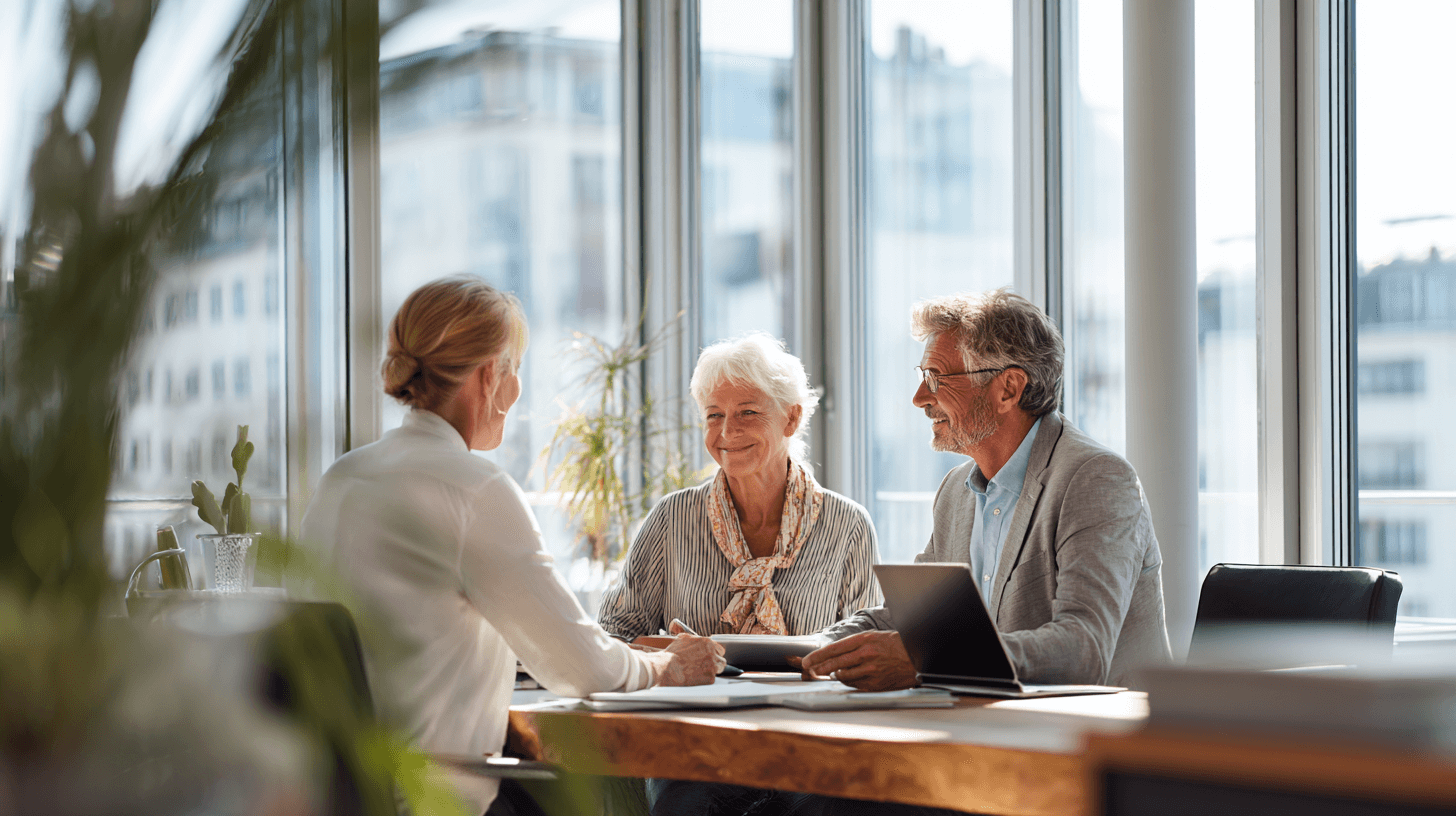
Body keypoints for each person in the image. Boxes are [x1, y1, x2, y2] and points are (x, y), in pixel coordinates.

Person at [296, 276, 723, 816]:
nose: (517, 390)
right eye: (514, 368)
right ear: (488, 375)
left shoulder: (343, 478)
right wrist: (669, 667)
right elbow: (586, 672)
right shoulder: (474, 490)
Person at [802, 288, 1172, 697]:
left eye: (936, 378)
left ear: (1008, 389)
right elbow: (911, 618)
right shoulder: (955, 492)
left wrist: (925, 657)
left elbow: (1082, 647)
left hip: (1100, 741)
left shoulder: (1095, 478)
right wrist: (819, 647)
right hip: (993, 727)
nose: (920, 398)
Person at [598, 332, 881, 816]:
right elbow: (610, 637)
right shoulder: (672, 518)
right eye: (714, 415)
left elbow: (865, 657)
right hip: (691, 745)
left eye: (748, 411)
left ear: (791, 416)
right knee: (685, 805)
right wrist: (672, 655)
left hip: (808, 743)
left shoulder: (847, 524)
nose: (727, 431)